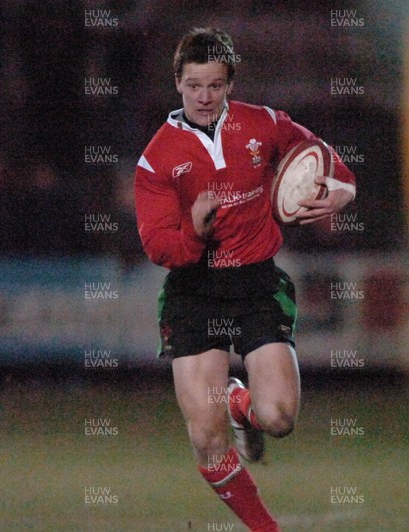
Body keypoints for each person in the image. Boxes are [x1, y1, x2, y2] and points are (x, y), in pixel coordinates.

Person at [135, 28, 355, 531]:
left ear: (230, 83)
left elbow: (317, 150)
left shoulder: (262, 124)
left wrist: (343, 185)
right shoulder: (157, 160)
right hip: (194, 290)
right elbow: (158, 247)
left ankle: (241, 404)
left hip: (256, 283)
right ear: (177, 83)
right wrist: (193, 228)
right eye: (194, 86)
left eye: (214, 85)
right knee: (207, 440)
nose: (204, 97)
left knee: (278, 418)